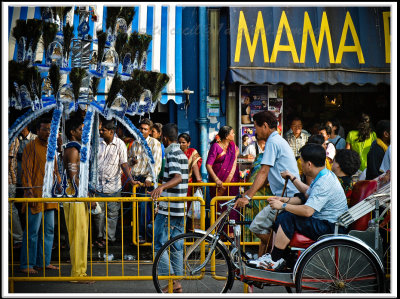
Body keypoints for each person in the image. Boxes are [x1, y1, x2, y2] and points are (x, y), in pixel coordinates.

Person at [248, 144, 348, 270]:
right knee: (284, 216)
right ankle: (280, 257)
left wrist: (283, 205)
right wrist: (285, 195)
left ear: (309, 164)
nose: (300, 164)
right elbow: (307, 194)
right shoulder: (324, 175)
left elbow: (307, 211)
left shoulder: (324, 182)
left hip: (331, 227)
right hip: (327, 222)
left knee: (288, 217)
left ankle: (274, 259)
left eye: (301, 161)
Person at [234, 111, 300, 259]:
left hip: (286, 197)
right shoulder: (277, 140)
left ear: (264, 126)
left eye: (256, 127)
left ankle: (279, 251)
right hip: (284, 195)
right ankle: (269, 259)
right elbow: (264, 176)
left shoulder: (273, 142)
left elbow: (263, 171)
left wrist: (248, 197)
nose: (255, 132)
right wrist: (247, 193)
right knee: (265, 227)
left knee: (256, 226)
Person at [149, 123, 189, 293]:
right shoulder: (181, 153)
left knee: (159, 244)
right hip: (180, 208)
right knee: (176, 246)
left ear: (164, 137)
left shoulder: (171, 153)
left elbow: (178, 177)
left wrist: (161, 187)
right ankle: (177, 283)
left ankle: (172, 281)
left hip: (170, 209)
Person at [20, 117, 62, 274]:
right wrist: (29, 192)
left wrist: (58, 183)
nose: (48, 132)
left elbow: (56, 171)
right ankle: (27, 265)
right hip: (35, 195)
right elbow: (26, 171)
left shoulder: (51, 148)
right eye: (45, 129)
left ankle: (43, 262)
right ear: (38, 131)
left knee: (49, 230)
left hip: (50, 196)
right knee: (32, 231)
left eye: (50, 129)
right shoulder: (31, 146)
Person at [93, 118, 137, 248]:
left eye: (103, 130)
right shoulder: (96, 143)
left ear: (111, 132)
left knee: (112, 215)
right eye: (100, 129)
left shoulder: (120, 144)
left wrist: (131, 179)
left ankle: (109, 238)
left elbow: (123, 163)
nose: (100, 132)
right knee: (98, 215)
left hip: (114, 186)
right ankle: (100, 237)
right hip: (97, 187)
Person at [62, 115, 95, 283]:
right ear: (72, 132)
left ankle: (80, 271)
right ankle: (77, 274)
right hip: (74, 194)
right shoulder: (73, 150)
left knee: (80, 234)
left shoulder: (73, 148)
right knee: (78, 235)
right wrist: (88, 197)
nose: (84, 132)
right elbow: (74, 178)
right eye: (81, 130)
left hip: (75, 193)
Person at [127, 118, 163, 243]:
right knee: (135, 208)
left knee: (144, 208)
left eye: (145, 129)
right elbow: (129, 160)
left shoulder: (155, 144)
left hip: (147, 181)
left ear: (150, 131)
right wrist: (132, 162)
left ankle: (143, 235)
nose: (142, 131)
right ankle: (136, 234)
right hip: (135, 181)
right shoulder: (135, 143)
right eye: (141, 128)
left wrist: (149, 178)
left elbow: (157, 164)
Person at [206, 126, 240, 235]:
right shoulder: (216, 147)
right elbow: (208, 165)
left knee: (232, 210)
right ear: (226, 136)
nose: (234, 135)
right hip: (219, 185)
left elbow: (234, 157)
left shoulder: (232, 147)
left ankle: (231, 238)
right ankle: (218, 238)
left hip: (232, 185)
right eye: (232, 133)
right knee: (219, 209)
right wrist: (216, 179)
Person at [9, 138, 23, 249]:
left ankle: (18, 238)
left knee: (9, 209)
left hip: (9, 180)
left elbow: (8, 161)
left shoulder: (11, 138)